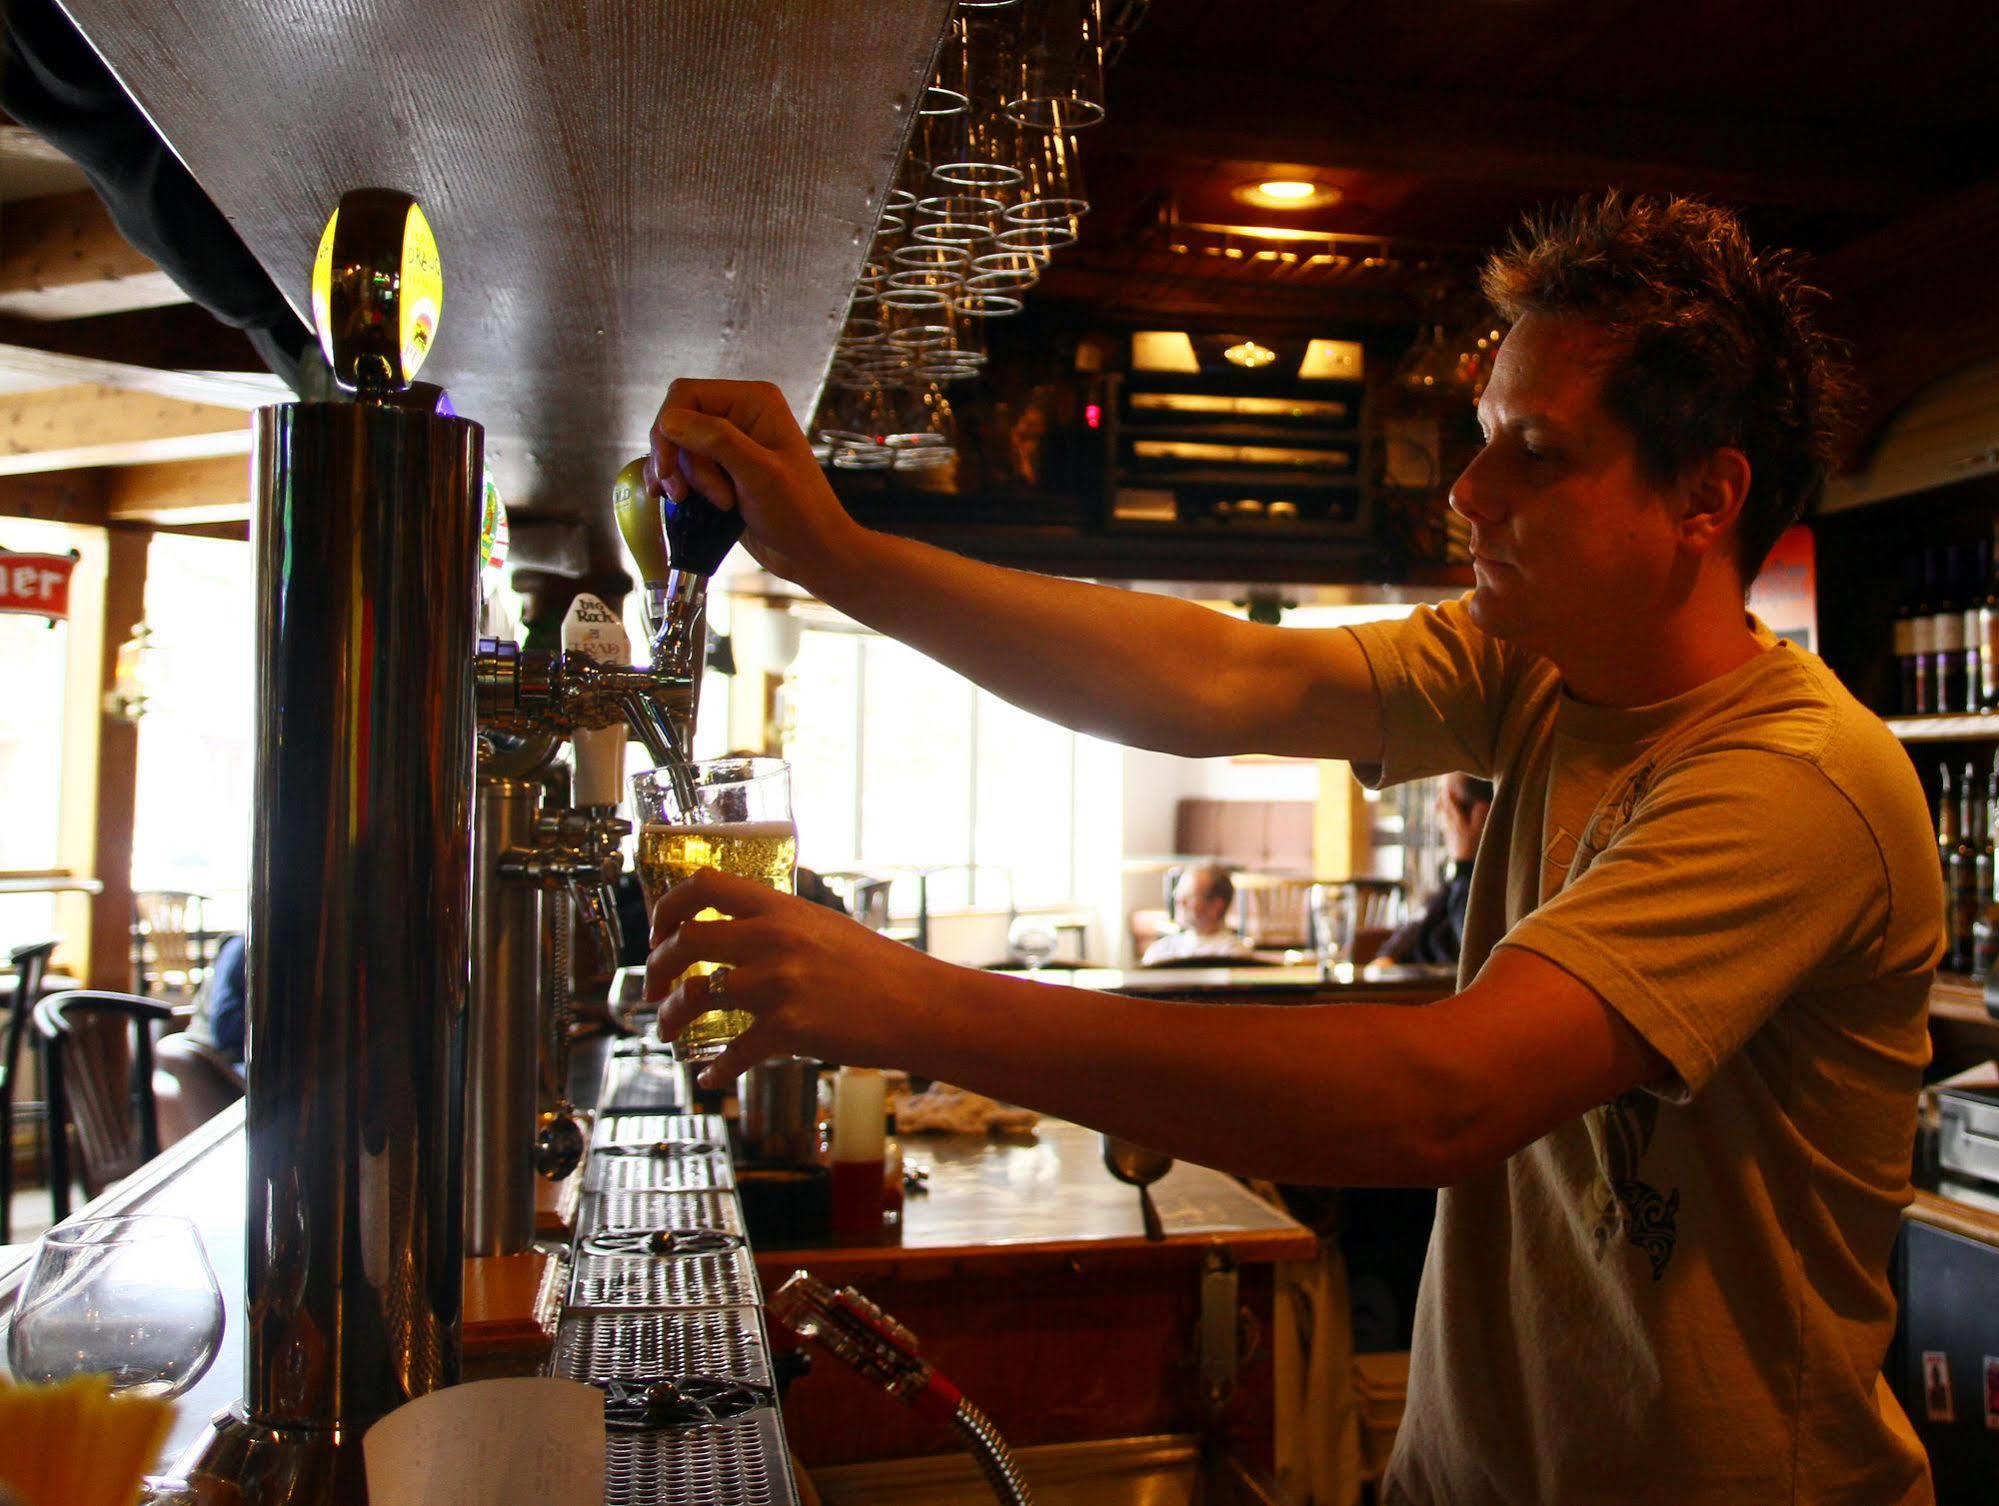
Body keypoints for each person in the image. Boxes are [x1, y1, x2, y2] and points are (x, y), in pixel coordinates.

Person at [638, 195, 1938, 1504]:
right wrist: (832, 553)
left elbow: (1444, 1094)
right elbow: (1219, 678)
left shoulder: (1794, 782)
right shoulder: (1538, 668)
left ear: (1703, 499)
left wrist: (907, 1001)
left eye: (1535, 452)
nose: (1467, 491)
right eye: (1484, 435)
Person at [1374, 774, 1493, 967]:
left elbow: (1476, 952)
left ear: (1481, 815)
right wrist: (1388, 959)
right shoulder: (1454, 881)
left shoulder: (1495, 887)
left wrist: (1466, 860)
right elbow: (1413, 932)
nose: (1437, 808)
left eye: (1447, 799)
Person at [1141, 862, 1254, 965]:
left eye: (1189, 897)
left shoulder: (1234, 956)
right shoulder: (1161, 950)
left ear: (1216, 906)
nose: (1179, 902)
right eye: (1178, 895)